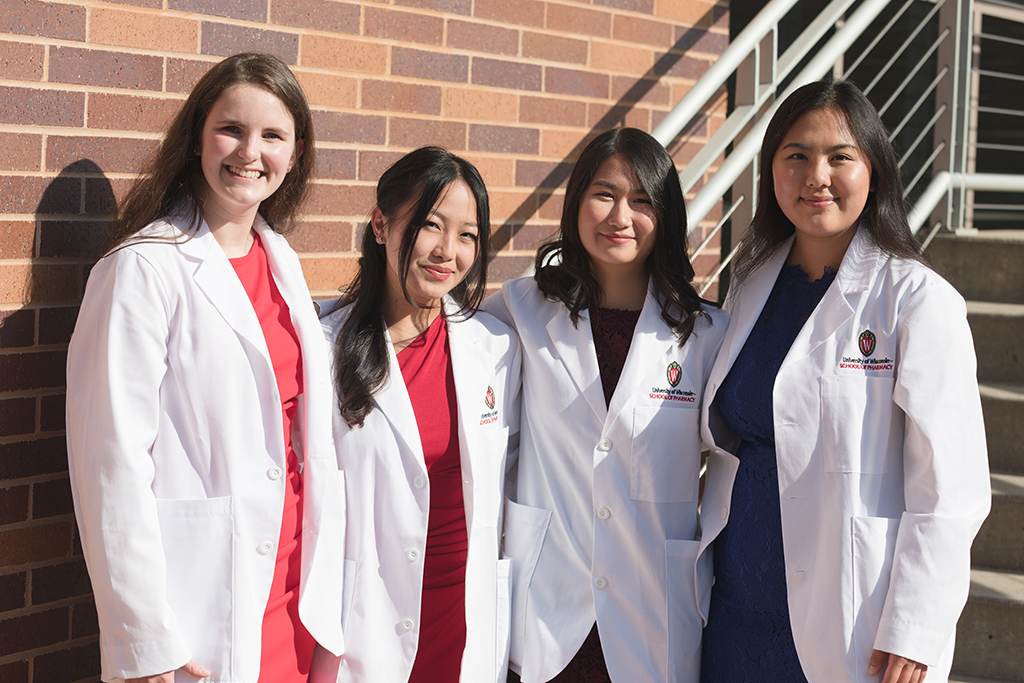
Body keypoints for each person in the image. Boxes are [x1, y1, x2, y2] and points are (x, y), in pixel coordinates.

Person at [698, 80, 991, 683]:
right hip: (733, 611)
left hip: (850, 621)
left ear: (875, 171)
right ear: (772, 171)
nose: (816, 176)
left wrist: (916, 628)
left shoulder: (917, 301)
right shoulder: (751, 285)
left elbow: (952, 490)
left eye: (840, 157)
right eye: (796, 156)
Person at [66, 53, 344, 683]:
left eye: (273, 136)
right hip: (201, 613)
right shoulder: (143, 268)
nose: (251, 152)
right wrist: (142, 634)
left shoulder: (285, 265)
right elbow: (110, 460)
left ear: (295, 154)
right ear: (196, 138)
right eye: (232, 130)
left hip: (295, 599)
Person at [484, 127, 727, 683]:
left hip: (652, 609)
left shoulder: (706, 333)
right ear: (575, 204)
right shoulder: (519, 309)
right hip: (549, 608)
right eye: (605, 193)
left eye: (642, 200)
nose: (620, 216)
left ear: (665, 217)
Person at [309, 147, 521, 683]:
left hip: (462, 618)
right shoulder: (321, 348)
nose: (448, 251)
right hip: (362, 624)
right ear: (381, 224)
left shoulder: (495, 347)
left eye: (468, 235)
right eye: (430, 224)